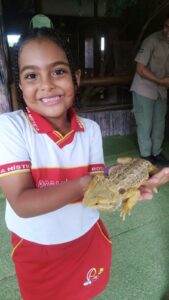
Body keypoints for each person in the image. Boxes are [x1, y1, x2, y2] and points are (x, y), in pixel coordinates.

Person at [0, 27, 155, 300]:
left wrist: (125, 184)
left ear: (77, 77)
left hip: (87, 237)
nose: (46, 84)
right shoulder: (11, 127)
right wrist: (84, 185)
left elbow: (98, 184)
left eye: (58, 71)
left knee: (86, 294)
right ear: (21, 86)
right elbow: (22, 203)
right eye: (31, 75)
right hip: (37, 248)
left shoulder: (91, 129)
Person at [130, 13, 169, 166]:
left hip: (161, 89)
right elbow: (139, 68)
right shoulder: (151, 40)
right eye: (167, 27)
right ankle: (146, 155)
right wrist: (161, 81)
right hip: (144, 87)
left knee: (159, 122)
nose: (168, 31)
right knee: (145, 123)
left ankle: (157, 152)